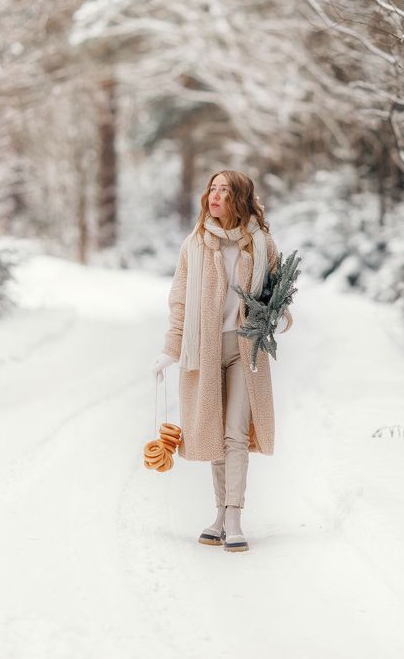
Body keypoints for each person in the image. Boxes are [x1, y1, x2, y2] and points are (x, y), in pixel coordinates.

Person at [152, 169, 294, 552]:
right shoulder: (195, 244)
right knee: (214, 434)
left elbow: (281, 295)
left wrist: (276, 319)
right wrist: (170, 349)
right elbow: (180, 301)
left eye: (224, 191)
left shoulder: (261, 244)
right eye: (212, 189)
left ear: (240, 198)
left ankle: (234, 516)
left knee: (234, 433)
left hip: (245, 350)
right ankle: (219, 514)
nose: (215, 196)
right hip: (204, 348)